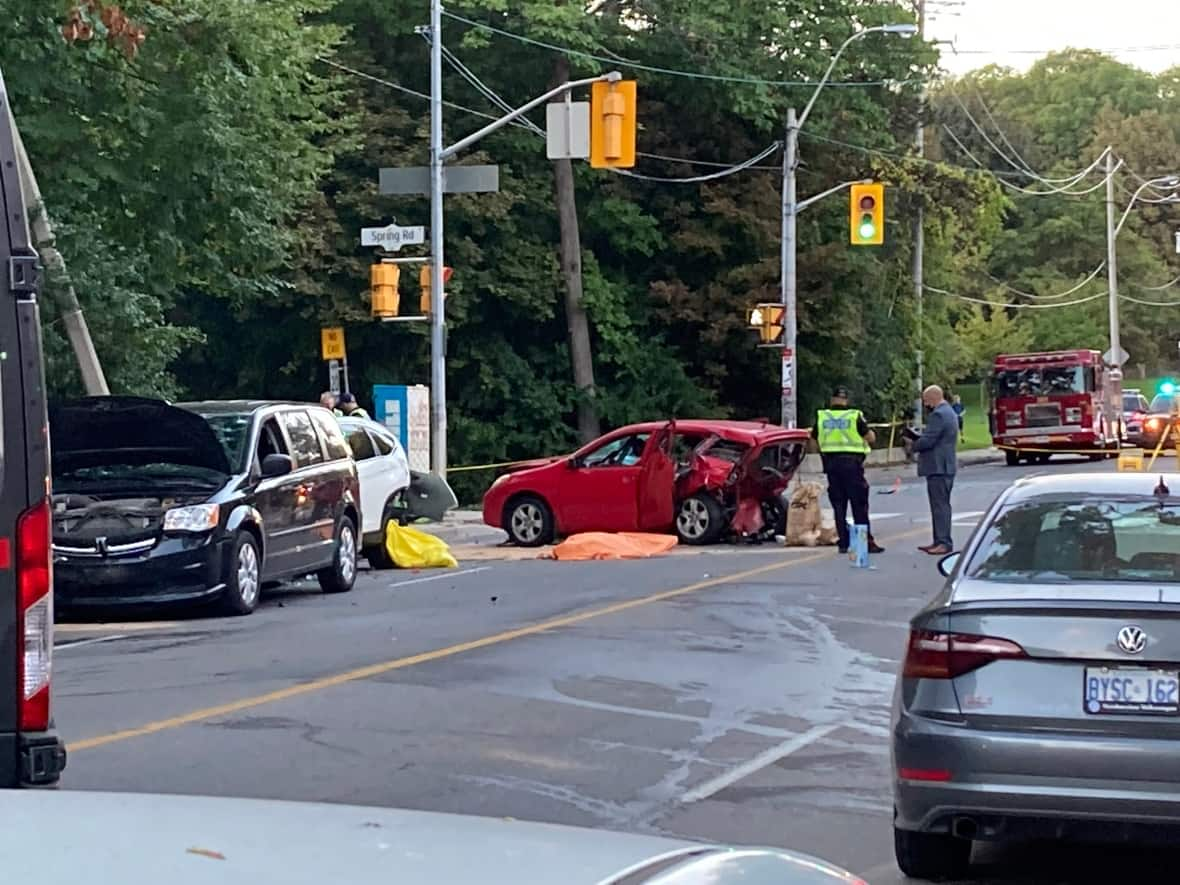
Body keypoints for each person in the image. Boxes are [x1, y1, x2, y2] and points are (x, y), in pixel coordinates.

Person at [810, 385, 885, 555]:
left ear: (832, 400)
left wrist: (824, 451)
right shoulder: (854, 416)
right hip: (852, 465)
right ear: (846, 400)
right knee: (859, 505)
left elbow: (813, 441)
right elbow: (870, 437)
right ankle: (863, 543)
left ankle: (843, 543)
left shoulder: (823, 416)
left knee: (839, 505)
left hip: (831, 465)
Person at [914, 385, 959, 555]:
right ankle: (939, 540)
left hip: (938, 467)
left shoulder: (939, 414)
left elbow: (929, 440)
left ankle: (943, 542)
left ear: (933, 398)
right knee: (940, 505)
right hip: (945, 465)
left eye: (926, 400)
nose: (926, 404)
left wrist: (913, 444)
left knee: (940, 506)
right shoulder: (949, 412)